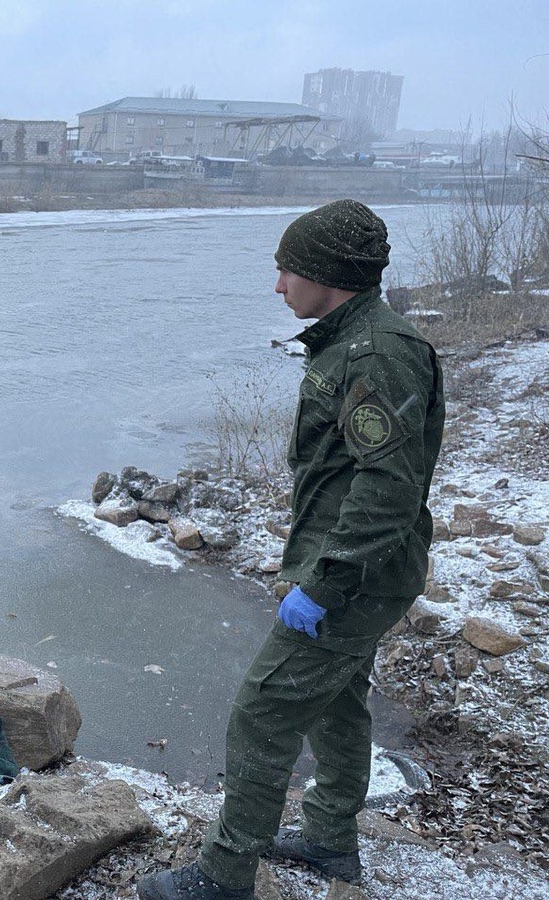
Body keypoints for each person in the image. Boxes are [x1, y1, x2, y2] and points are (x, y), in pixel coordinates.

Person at [140, 199, 445, 900]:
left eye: (288, 271)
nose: (278, 286)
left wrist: (324, 583)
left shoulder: (376, 355)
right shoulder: (351, 342)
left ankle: (224, 875)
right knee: (338, 703)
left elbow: (387, 491)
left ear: (327, 276)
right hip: (357, 567)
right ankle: (331, 839)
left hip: (357, 575)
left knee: (263, 711)